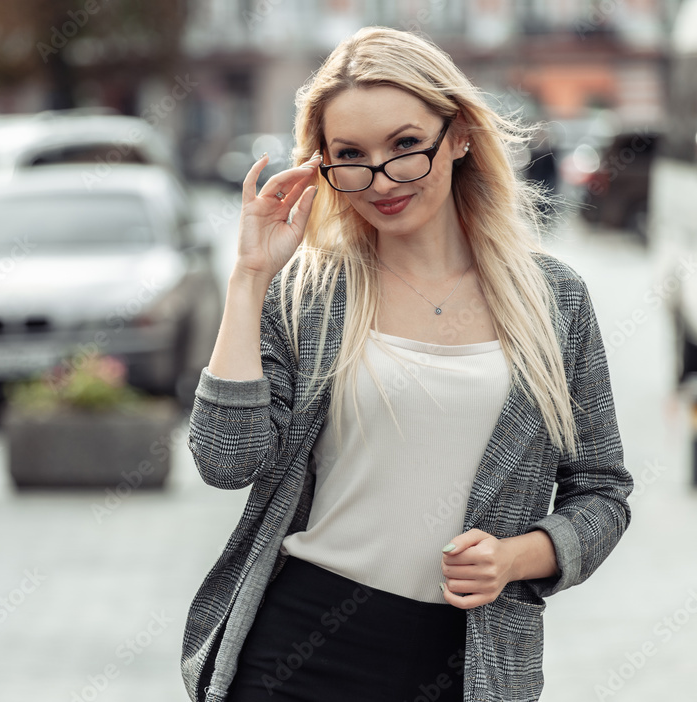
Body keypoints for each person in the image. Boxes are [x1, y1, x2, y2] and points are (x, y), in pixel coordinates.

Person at [180, 26, 633, 702]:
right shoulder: (309, 293)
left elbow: (602, 492)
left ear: (457, 135)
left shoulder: (554, 300)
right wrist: (249, 278)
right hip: (294, 655)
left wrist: (516, 557)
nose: (382, 179)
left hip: (468, 663)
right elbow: (226, 461)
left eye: (405, 146)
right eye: (351, 156)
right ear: (323, 167)